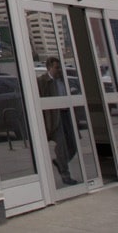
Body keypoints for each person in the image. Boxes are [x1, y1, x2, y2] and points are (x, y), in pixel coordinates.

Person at [37, 56, 79, 185]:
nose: (59, 70)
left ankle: (60, 162)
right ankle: (65, 175)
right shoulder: (42, 81)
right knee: (62, 146)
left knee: (73, 145)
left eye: (60, 67)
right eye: (56, 68)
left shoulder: (63, 80)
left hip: (66, 114)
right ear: (49, 68)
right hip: (54, 116)